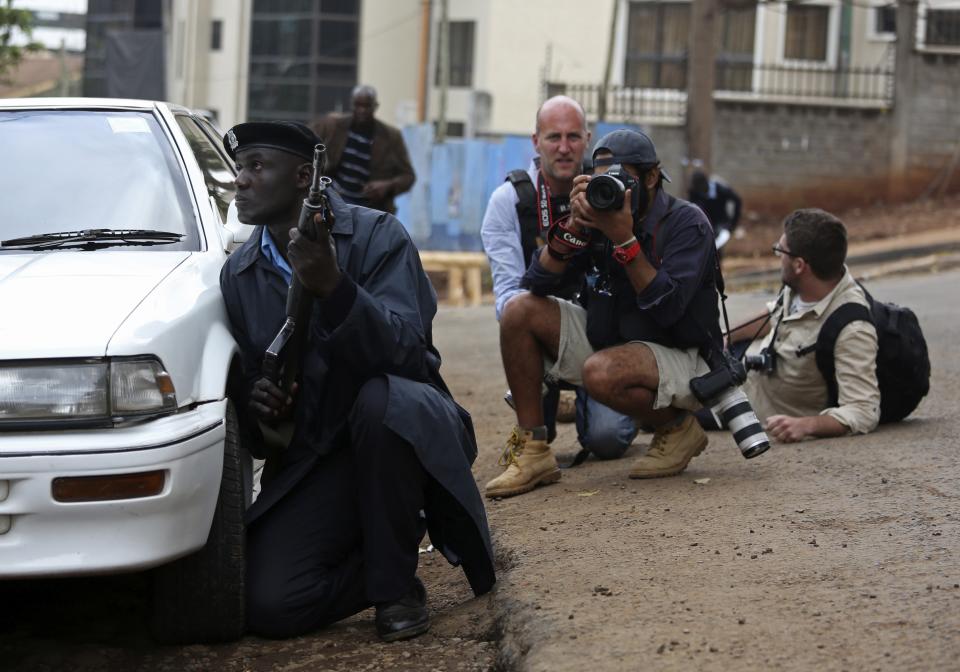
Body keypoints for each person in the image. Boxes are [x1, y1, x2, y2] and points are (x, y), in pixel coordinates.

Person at [219, 121, 494, 642]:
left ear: (305, 178)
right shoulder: (240, 274)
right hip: (322, 459)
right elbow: (256, 418)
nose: (241, 180)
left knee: (378, 402)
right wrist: (261, 401)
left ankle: (395, 589)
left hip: (407, 436)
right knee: (271, 603)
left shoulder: (376, 236)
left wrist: (335, 288)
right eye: (239, 168)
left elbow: (410, 356)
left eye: (257, 167)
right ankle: (380, 561)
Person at [484, 128, 722, 499]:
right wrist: (575, 228)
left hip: (680, 352)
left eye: (624, 180)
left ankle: (678, 428)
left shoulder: (687, 223)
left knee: (603, 396)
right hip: (615, 340)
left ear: (652, 176)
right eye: (603, 181)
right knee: (519, 311)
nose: (614, 190)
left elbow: (669, 307)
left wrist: (624, 240)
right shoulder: (597, 217)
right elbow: (537, 282)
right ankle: (534, 450)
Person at [480, 96, 638, 463]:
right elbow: (507, 301)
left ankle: (628, 401)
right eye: (553, 138)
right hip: (547, 332)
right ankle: (546, 411)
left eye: (572, 137)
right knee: (518, 309)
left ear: (588, 139)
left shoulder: (613, 192)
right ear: (535, 141)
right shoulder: (509, 201)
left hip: (607, 333)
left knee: (606, 440)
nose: (564, 148)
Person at [719, 208, 880, 442]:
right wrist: (725, 336)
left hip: (750, 408)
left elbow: (863, 410)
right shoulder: (803, 288)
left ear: (799, 265)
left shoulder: (852, 328)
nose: (778, 256)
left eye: (780, 250)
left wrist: (807, 425)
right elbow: (774, 313)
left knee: (662, 404)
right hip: (744, 379)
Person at [312, 85, 415, 213]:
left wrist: (388, 185)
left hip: (370, 208)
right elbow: (308, 139)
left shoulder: (391, 137)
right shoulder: (334, 126)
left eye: (367, 106)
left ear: (375, 106)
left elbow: (408, 176)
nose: (362, 110)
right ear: (351, 105)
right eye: (358, 105)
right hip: (333, 200)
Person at [687, 169, 741, 253]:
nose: (699, 190)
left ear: (705, 182)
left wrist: (733, 222)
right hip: (704, 223)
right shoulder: (694, 193)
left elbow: (737, 200)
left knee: (716, 247)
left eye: (699, 187)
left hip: (720, 222)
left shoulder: (720, 189)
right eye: (696, 188)